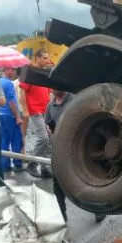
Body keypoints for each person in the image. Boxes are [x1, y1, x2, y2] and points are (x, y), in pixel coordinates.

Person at [46, 90, 105, 223]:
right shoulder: (50, 106)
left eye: (57, 86)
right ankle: (61, 213)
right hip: (60, 151)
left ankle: (98, 210)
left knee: (90, 181)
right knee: (58, 183)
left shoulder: (77, 101)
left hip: (81, 150)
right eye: (52, 87)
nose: (55, 89)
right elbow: (50, 125)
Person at [18, 50, 54, 177]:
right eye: (44, 58)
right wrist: (25, 110)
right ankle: (32, 164)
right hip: (35, 110)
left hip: (45, 110)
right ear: (37, 58)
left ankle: (44, 167)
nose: (47, 60)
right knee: (43, 137)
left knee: (49, 139)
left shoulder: (45, 73)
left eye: (47, 58)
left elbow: (51, 92)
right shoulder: (31, 73)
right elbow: (22, 92)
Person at [0, 67, 24, 177]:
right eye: (12, 70)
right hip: (10, 116)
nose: (14, 72)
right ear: (6, 70)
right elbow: (12, 102)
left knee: (4, 141)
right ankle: (17, 164)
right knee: (15, 140)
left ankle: (5, 165)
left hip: (0, 115)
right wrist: (17, 116)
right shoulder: (8, 84)